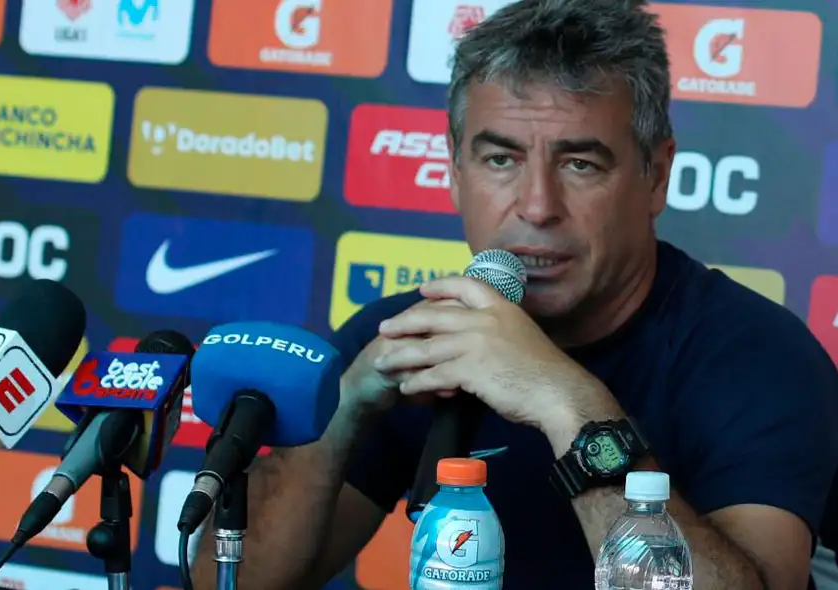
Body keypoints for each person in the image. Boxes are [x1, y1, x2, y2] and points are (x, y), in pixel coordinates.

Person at [189, 0, 838, 588]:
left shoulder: (757, 355)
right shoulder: (407, 338)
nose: (535, 206)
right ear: (454, 170)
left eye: (580, 164)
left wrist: (566, 402)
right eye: (501, 160)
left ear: (656, 175)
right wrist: (341, 415)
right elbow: (230, 583)